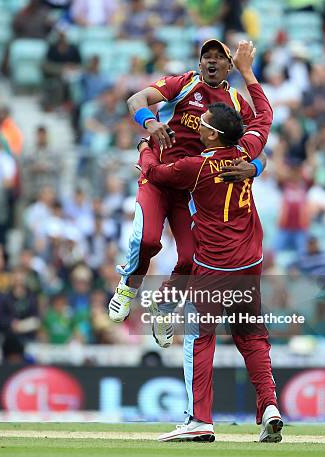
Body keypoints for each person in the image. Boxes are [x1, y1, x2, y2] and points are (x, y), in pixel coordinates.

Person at [138, 41, 281, 444]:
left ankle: (199, 419)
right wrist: (249, 73)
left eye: (203, 125)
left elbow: (156, 174)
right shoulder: (245, 155)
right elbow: (265, 118)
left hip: (214, 268)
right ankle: (269, 405)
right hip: (251, 264)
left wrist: (145, 148)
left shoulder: (195, 167)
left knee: (199, 339)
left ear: (214, 133)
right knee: (252, 337)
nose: (196, 126)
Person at [108, 39, 265, 323]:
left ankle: (164, 308)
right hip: (157, 177)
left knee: (191, 258)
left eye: (220, 57)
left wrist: (253, 168)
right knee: (146, 240)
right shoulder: (182, 84)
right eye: (207, 56)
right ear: (199, 62)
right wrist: (150, 123)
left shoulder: (236, 104)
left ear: (230, 66)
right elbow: (135, 100)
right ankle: (128, 287)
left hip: (191, 190)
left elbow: (259, 150)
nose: (212, 61)